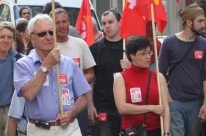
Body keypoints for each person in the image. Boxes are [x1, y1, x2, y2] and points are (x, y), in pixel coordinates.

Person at [14, 14, 91, 136]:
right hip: (39, 130)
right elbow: (29, 94)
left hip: (69, 129)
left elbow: (84, 96)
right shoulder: (23, 65)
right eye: (42, 34)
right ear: (32, 37)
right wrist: (46, 66)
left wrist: (70, 113)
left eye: (51, 32)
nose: (48, 37)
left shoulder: (68, 63)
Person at [158, 4, 206, 136]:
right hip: (174, 101)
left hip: (196, 103)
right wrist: (168, 99)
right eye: (199, 21)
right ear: (189, 22)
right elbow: (160, 74)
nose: (203, 25)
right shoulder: (169, 42)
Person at [114, 36, 171, 136]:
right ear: (132, 56)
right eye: (143, 54)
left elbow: (165, 107)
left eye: (149, 53)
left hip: (156, 130)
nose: (148, 57)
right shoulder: (121, 78)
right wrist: (152, 108)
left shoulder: (158, 77)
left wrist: (166, 132)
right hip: (132, 130)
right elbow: (122, 108)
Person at [52, 8, 96, 136]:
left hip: (77, 104)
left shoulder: (80, 44)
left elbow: (91, 74)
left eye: (64, 21)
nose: (61, 26)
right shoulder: (48, 46)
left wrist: (74, 83)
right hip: (54, 105)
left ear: (69, 22)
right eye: (57, 22)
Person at [88, 9, 128, 136]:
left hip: (128, 106)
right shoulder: (95, 49)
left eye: (110, 22)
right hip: (103, 106)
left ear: (120, 22)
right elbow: (89, 79)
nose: (107, 26)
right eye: (104, 23)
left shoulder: (129, 46)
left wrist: (131, 67)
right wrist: (90, 105)